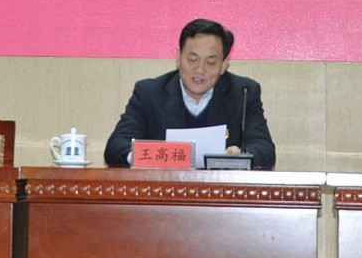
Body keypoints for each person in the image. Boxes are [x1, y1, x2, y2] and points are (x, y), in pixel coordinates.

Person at [104, 18, 275, 169]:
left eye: (211, 62)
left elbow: (265, 150)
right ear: (178, 57)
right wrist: (151, 157)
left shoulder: (243, 93)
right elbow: (116, 147)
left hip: (220, 191)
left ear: (224, 65)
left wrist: (240, 156)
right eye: (192, 59)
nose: (199, 69)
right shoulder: (149, 93)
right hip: (165, 190)